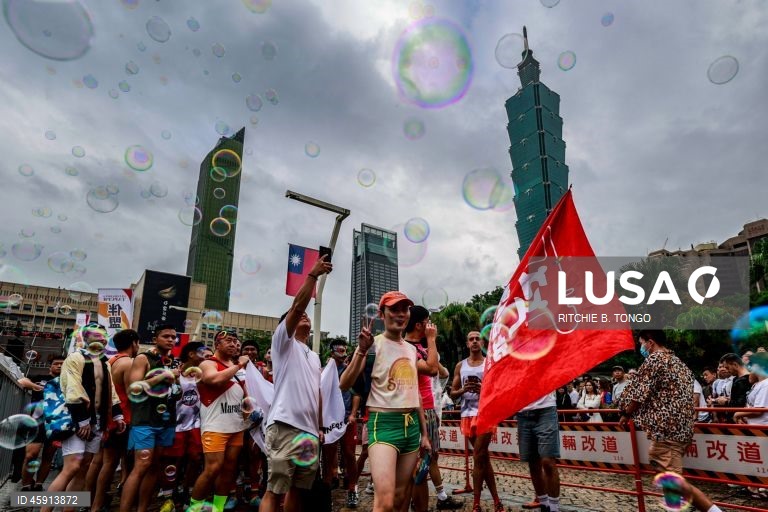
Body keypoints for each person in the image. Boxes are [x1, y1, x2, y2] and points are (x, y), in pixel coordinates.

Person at [340, 291, 431, 512]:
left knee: (401, 498)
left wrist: (425, 434)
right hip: (383, 425)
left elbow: (415, 393)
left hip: (411, 427)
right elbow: (344, 383)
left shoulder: (412, 350)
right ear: (382, 314)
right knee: (385, 501)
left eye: (405, 309)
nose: (400, 314)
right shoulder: (372, 345)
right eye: (394, 309)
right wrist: (361, 351)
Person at [618, 330, 723, 512]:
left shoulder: (655, 359)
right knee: (667, 477)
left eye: (642, 343)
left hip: (666, 429)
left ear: (650, 343)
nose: (641, 347)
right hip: (680, 427)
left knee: (674, 479)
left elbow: (638, 393)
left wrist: (626, 413)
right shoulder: (678, 362)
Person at [260, 255, 331, 512]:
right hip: (285, 426)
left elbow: (318, 393)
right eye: (298, 317)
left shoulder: (313, 356)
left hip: (310, 432)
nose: (305, 318)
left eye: (306, 318)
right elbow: (298, 308)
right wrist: (312, 275)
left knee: (299, 490)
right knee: (274, 489)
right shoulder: (283, 344)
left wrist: (320, 426)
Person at [43, 324, 125, 512]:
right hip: (77, 420)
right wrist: (82, 420)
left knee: (83, 468)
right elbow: (72, 389)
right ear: (86, 339)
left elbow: (109, 391)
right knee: (71, 467)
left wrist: (118, 415)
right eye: (96, 335)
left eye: (104, 336)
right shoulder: (75, 358)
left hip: (97, 421)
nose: (102, 339)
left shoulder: (105, 362)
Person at [401, 306, 461, 512]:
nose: (431, 325)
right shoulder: (407, 348)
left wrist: (430, 347)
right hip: (419, 411)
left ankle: (434, 499)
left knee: (427, 461)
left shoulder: (420, 347)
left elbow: (441, 371)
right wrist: (433, 340)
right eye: (428, 321)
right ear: (419, 325)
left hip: (428, 409)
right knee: (419, 465)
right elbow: (433, 369)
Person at [120, 324, 181, 512]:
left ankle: (142, 509)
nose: (171, 340)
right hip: (145, 420)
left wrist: (176, 383)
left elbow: (175, 391)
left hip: (166, 420)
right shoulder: (143, 358)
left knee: (155, 466)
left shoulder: (173, 361)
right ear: (155, 339)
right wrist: (165, 375)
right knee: (141, 466)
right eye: (166, 336)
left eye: (173, 337)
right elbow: (134, 387)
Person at [190, 330, 251, 512]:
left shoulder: (236, 366)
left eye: (235, 341)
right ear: (217, 344)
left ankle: (218, 507)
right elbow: (212, 379)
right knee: (213, 468)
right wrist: (239, 365)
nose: (234, 344)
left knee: (229, 468)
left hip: (236, 425)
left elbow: (244, 394)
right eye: (229, 341)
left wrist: (249, 407)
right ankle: (195, 507)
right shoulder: (209, 363)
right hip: (215, 426)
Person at [450, 331, 503, 512]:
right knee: (483, 458)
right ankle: (496, 501)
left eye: (477, 338)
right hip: (467, 414)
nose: (474, 341)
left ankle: (477, 503)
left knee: (478, 456)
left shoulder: (490, 363)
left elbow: (497, 391)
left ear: (482, 342)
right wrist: (464, 389)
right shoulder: (460, 366)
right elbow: (452, 393)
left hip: (485, 413)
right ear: (467, 344)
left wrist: (483, 390)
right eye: (471, 339)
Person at [91, 329, 140, 512]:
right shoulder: (128, 362)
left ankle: (96, 505)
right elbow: (133, 394)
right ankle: (123, 504)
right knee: (126, 463)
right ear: (134, 343)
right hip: (125, 419)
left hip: (111, 418)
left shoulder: (111, 361)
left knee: (107, 463)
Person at [166, 342, 211, 507]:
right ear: (191, 354)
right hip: (177, 424)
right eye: (202, 352)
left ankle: (186, 490)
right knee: (175, 460)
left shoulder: (204, 374)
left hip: (196, 424)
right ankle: (172, 492)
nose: (206, 355)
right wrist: (176, 380)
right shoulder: (175, 373)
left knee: (195, 458)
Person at [322, 338, 361, 508]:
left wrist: (353, 414)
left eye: (344, 347)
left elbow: (356, 394)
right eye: (338, 347)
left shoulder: (349, 370)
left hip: (346, 419)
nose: (342, 349)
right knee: (328, 457)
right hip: (329, 421)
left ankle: (353, 489)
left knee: (350, 454)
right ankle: (325, 493)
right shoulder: (322, 372)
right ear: (331, 352)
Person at [18, 357, 64, 492]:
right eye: (56, 364)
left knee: (48, 456)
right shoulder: (39, 377)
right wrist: (38, 387)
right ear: (50, 366)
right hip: (36, 422)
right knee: (31, 455)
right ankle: (26, 485)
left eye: (62, 364)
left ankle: (38, 484)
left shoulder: (67, 382)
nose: (59, 366)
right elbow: (22, 381)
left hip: (56, 422)